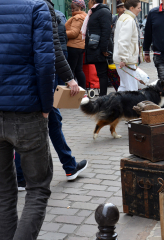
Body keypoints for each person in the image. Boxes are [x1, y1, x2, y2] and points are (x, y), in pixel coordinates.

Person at [16, 0, 88, 192]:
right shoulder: (42, 6)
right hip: (40, 77)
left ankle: (21, 178)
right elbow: (53, 46)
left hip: (15, 78)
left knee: (19, 124)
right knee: (52, 120)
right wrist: (70, 78)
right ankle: (68, 167)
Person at [0, 0, 55, 238]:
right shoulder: (36, 7)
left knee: (3, 191)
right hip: (27, 111)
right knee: (38, 188)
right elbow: (45, 62)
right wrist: (45, 106)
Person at [82, 0, 112, 96]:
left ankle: (103, 97)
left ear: (93, 1)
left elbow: (106, 31)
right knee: (100, 73)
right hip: (95, 47)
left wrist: (104, 49)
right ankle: (102, 97)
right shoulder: (94, 12)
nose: (88, 3)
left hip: (100, 48)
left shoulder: (103, 12)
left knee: (102, 73)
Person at [113, 0, 142, 92]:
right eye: (139, 8)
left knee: (124, 87)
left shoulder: (123, 18)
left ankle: (117, 105)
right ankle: (131, 106)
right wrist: (124, 59)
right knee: (131, 89)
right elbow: (124, 41)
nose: (140, 10)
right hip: (126, 60)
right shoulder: (129, 20)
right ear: (132, 8)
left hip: (123, 58)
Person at [65, 0, 87, 89]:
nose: (72, 10)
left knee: (70, 72)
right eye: (72, 8)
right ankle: (83, 92)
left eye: (74, 8)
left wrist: (62, 32)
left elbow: (74, 33)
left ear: (80, 7)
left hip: (73, 46)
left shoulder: (77, 18)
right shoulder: (85, 17)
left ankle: (70, 93)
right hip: (80, 46)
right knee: (78, 70)